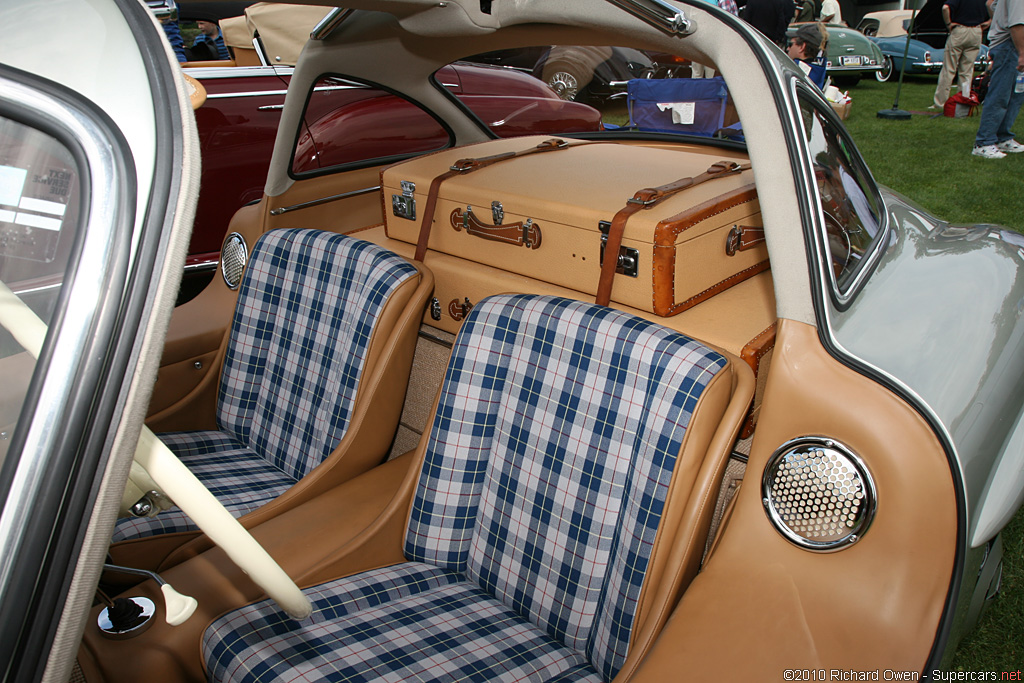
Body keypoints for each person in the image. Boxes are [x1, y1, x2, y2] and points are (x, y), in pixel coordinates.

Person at [972, 0, 1024, 158]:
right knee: (1000, 94)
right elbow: (1016, 23)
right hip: (1009, 46)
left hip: (1010, 45)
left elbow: (990, 4)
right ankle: (984, 142)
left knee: (1015, 95)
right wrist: (1022, 52)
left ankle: (1002, 137)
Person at [933, 0, 991, 108]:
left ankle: (941, 102)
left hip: (960, 30)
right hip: (977, 32)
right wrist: (989, 21)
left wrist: (949, 24)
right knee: (967, 70)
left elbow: (945, 8)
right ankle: (963, 100)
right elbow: (992, 6)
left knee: (949, 69)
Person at [692, 0, 740, 77]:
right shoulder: (722, 1)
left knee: (697, 72)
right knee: (709, 72)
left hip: (697, 37)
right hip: (711, 38)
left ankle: (696, 88)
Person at [788, 22, 829, 88]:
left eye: (790, 44)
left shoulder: (794, 72)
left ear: (802, 47)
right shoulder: (817, 70)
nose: (788, 48)